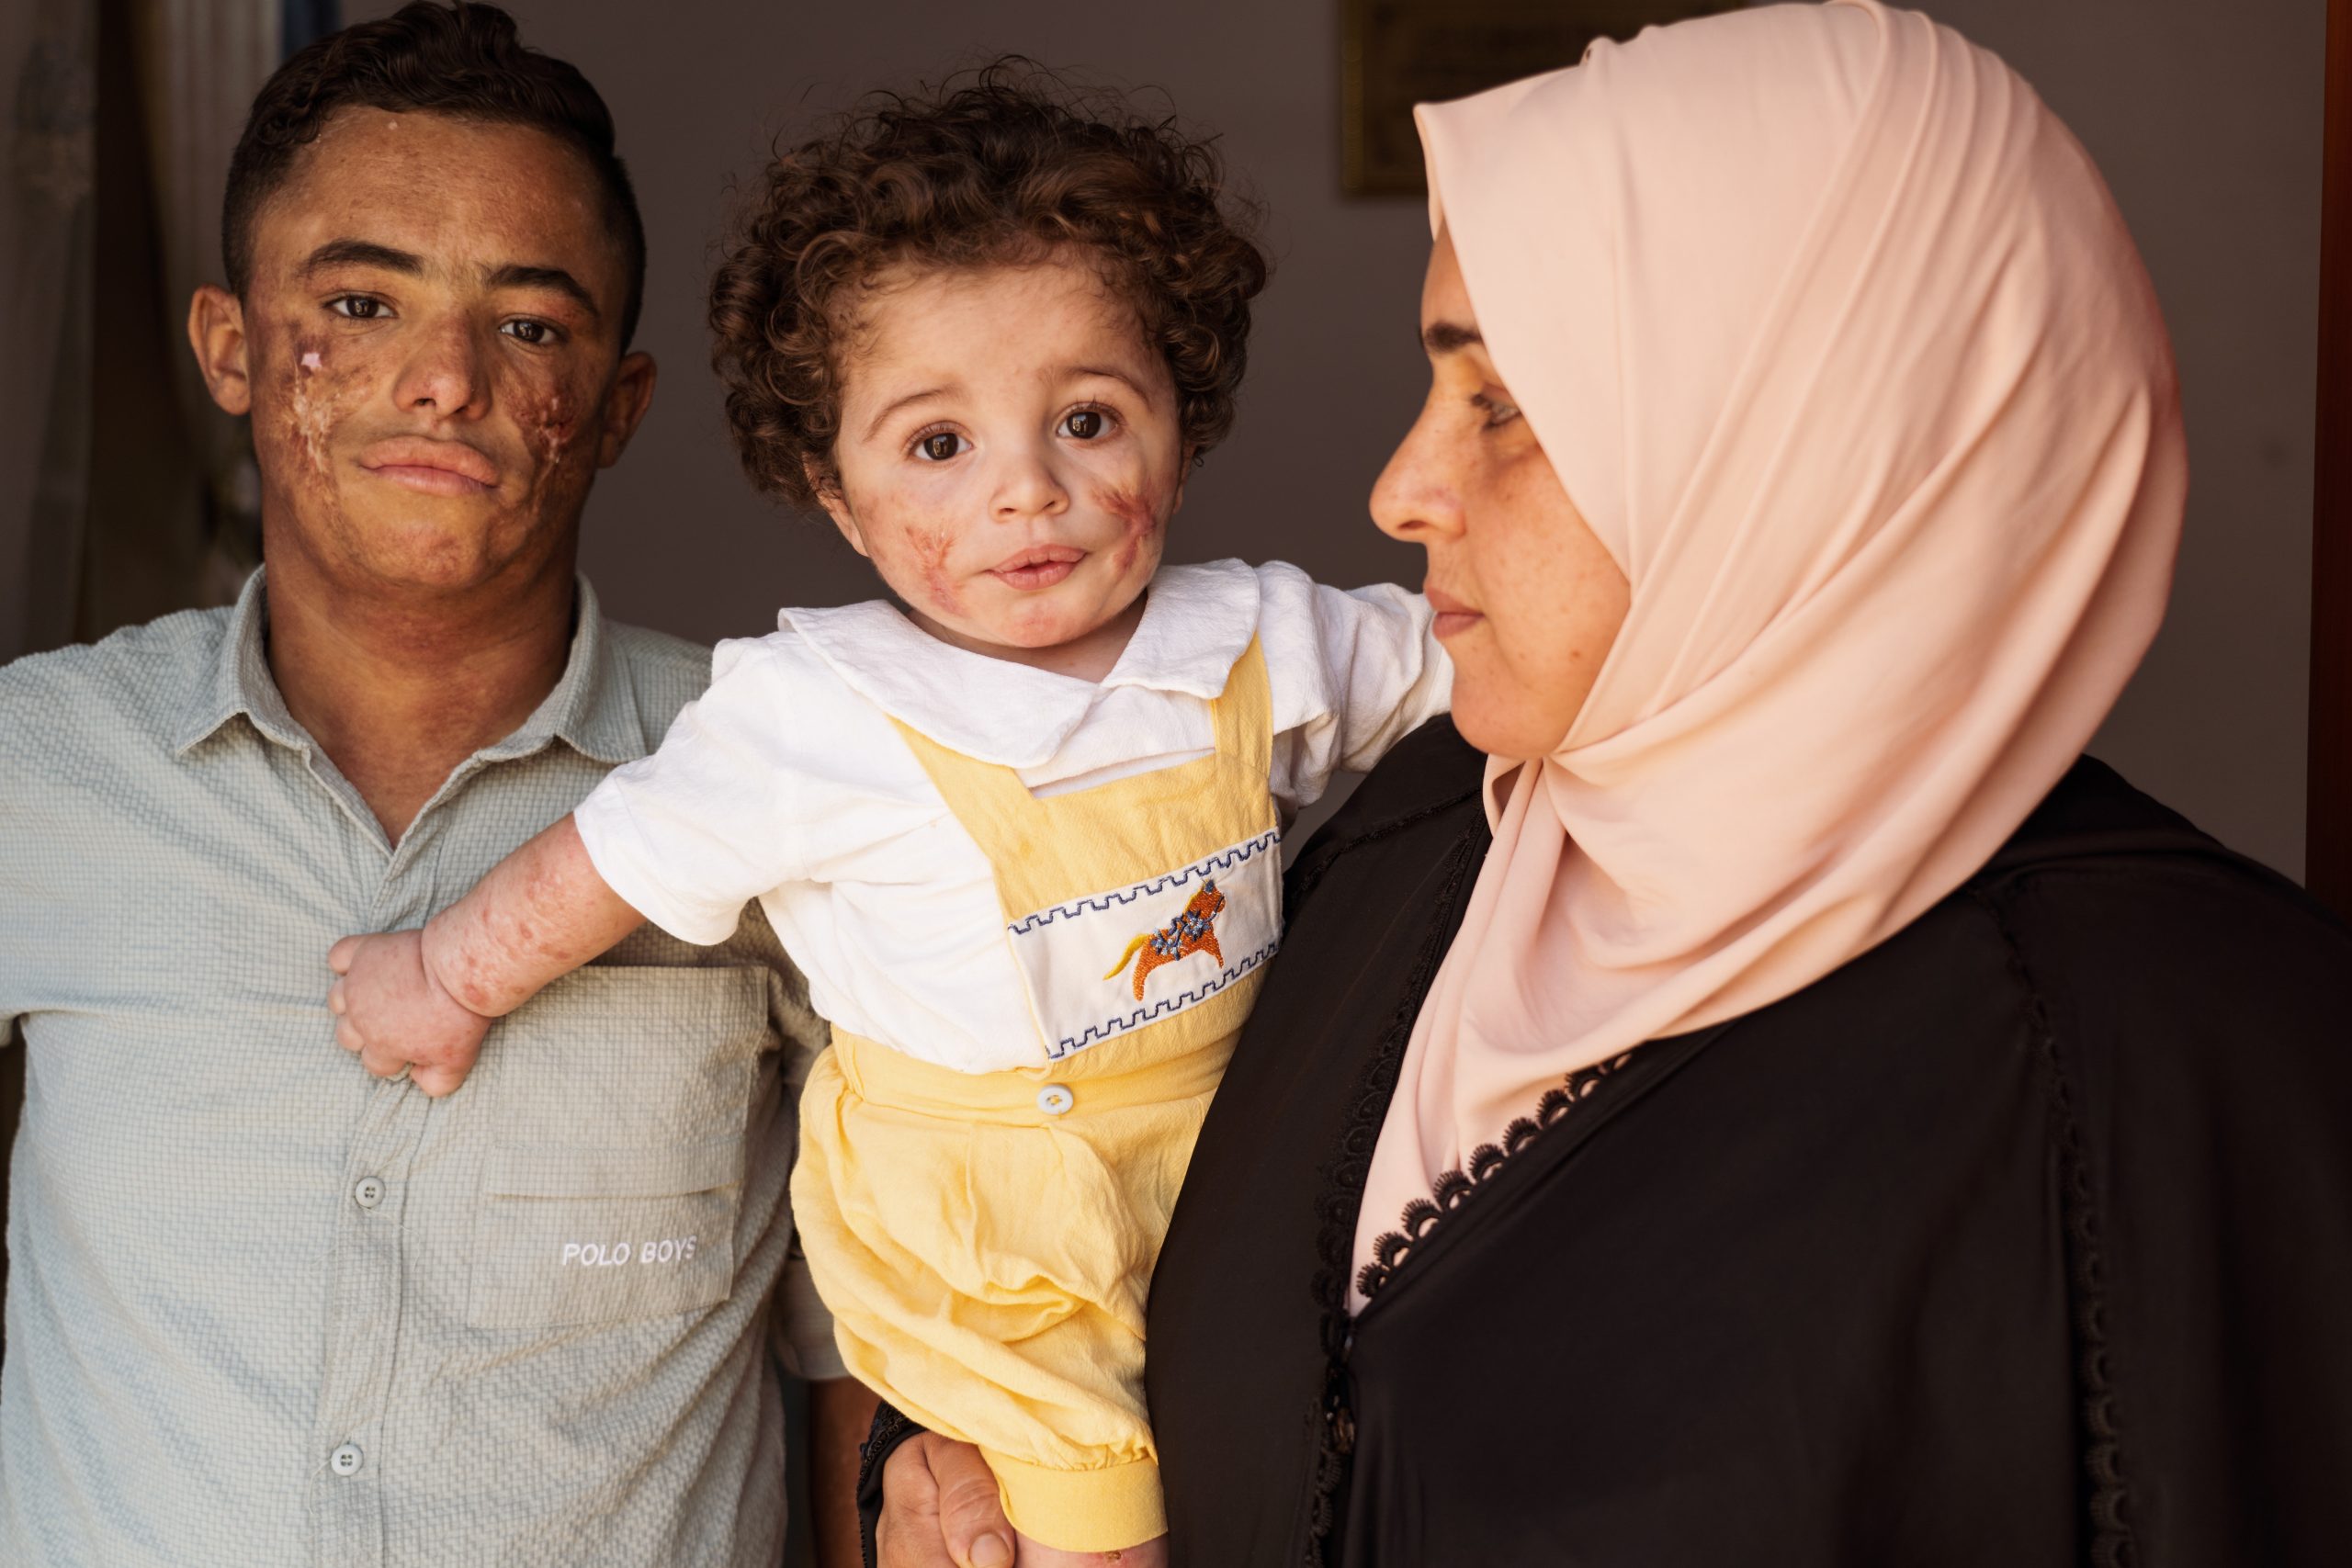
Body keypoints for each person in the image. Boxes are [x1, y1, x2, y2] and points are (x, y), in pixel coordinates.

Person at [870, 3, 2352, 1563]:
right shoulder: (1413, 833)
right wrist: (935, 1470)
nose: (1399, 488)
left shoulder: (2209, 1065)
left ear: (1809, 447)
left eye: (1502, 405)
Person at [323, 70, 1453, 1567]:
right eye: (939, 447)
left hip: (1230, 1160)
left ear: (1182, 425)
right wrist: (447, 979)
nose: (1027, 494)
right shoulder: (821, 711)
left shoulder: (1260, 644)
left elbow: (1484, 665)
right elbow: (618, 858)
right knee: (1101, 1524)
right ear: (838, 495)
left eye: (1091, 420)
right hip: (985, 1236)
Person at [0, 6, 875, 1563]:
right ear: (231, 348)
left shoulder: (791, 779)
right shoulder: (42, 769)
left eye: (531, 325)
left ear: (617, 403)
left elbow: (876, 1348)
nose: (449, 379)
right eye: (363, 300)